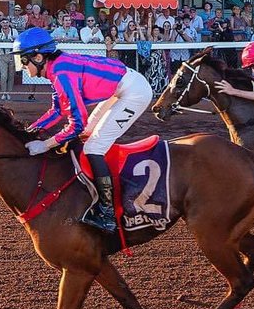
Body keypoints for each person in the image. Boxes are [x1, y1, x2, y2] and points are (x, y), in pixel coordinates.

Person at [14, 27, 154, 234]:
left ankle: (107, 214)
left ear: (38, 56)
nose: (22, 67)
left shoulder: (61, 73)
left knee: (93, 147)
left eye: (23, 60)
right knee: (86, 135)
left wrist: (45, 144)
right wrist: (32, 130)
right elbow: (58, 110)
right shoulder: (56, 67)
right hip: (120, 87)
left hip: (134, 92)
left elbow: (76, 124)